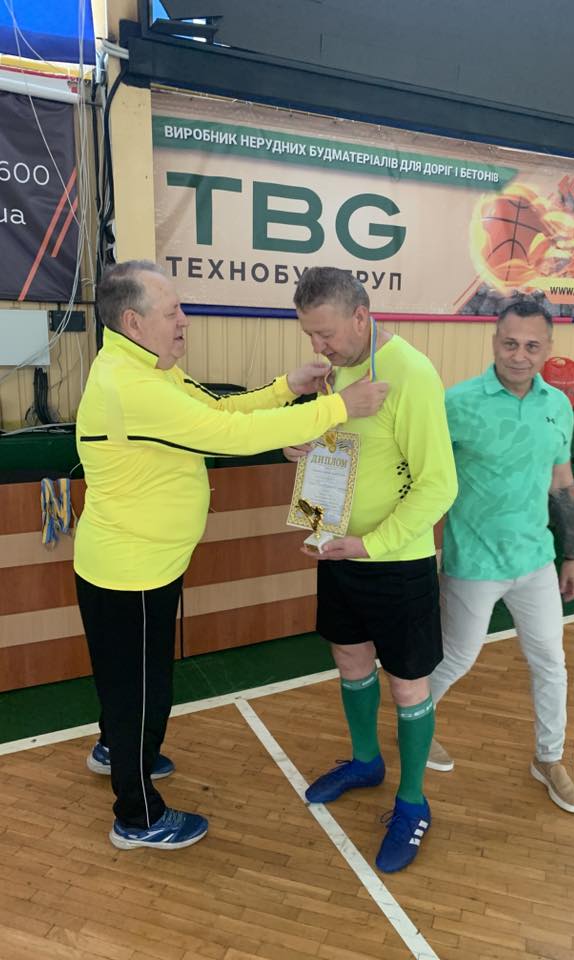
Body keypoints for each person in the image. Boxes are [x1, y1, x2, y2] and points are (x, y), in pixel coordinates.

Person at [75, 260, 388, 851]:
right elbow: (229, 437)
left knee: (133, 682)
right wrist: (339, 407)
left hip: (146, 564)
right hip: (128, 573)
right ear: (134, 322)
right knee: (140, 692)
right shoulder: (129, 386)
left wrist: (288, 389)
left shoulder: (149, 368)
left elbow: (217, 412)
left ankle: (116, 748)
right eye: (173, 312)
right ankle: (137, 817)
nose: (184, 321)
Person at [285, 267, 457, 873]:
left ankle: (412, 801)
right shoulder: (331, 374)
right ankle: (365, 762)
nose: (318, 347)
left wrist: (370, 544)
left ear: (362, 316)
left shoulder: (411, 374)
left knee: (408, 684)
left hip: (395, 562)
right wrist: (295, 443)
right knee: (350, 660)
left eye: (326, 334)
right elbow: (334, 450)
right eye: (310, 335)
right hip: (337, 551)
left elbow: (439, 485)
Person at [428, 296, 574, 813]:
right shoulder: (457, 403)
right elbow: (421, 471)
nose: (520, 355)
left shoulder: (557, 405)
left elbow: (561, 482)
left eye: (532, 346)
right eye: (510, 343)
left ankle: (549, 758)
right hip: (473, 562)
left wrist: (572, 555)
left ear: (548, 348)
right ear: (495, 342)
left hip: (536, 560)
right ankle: (415, 724)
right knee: (456, 658)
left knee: (551, 662)